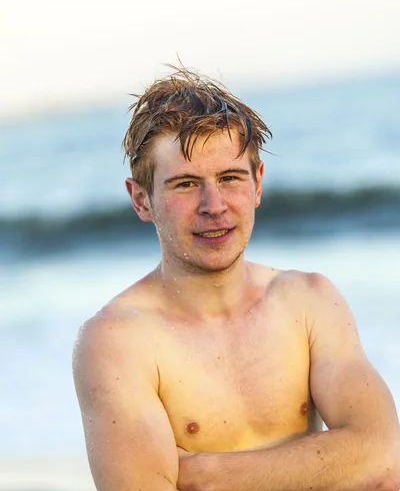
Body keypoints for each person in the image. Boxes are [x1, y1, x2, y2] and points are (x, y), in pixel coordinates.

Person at [73, 65, 400, 491]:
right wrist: (333, 463)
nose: (214, 205)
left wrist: (206, 475)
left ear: (258, 184)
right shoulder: (117, 341)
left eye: (230, 178)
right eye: (186, 185)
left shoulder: (310, 302)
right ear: (141, 199)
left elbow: (383, 456)